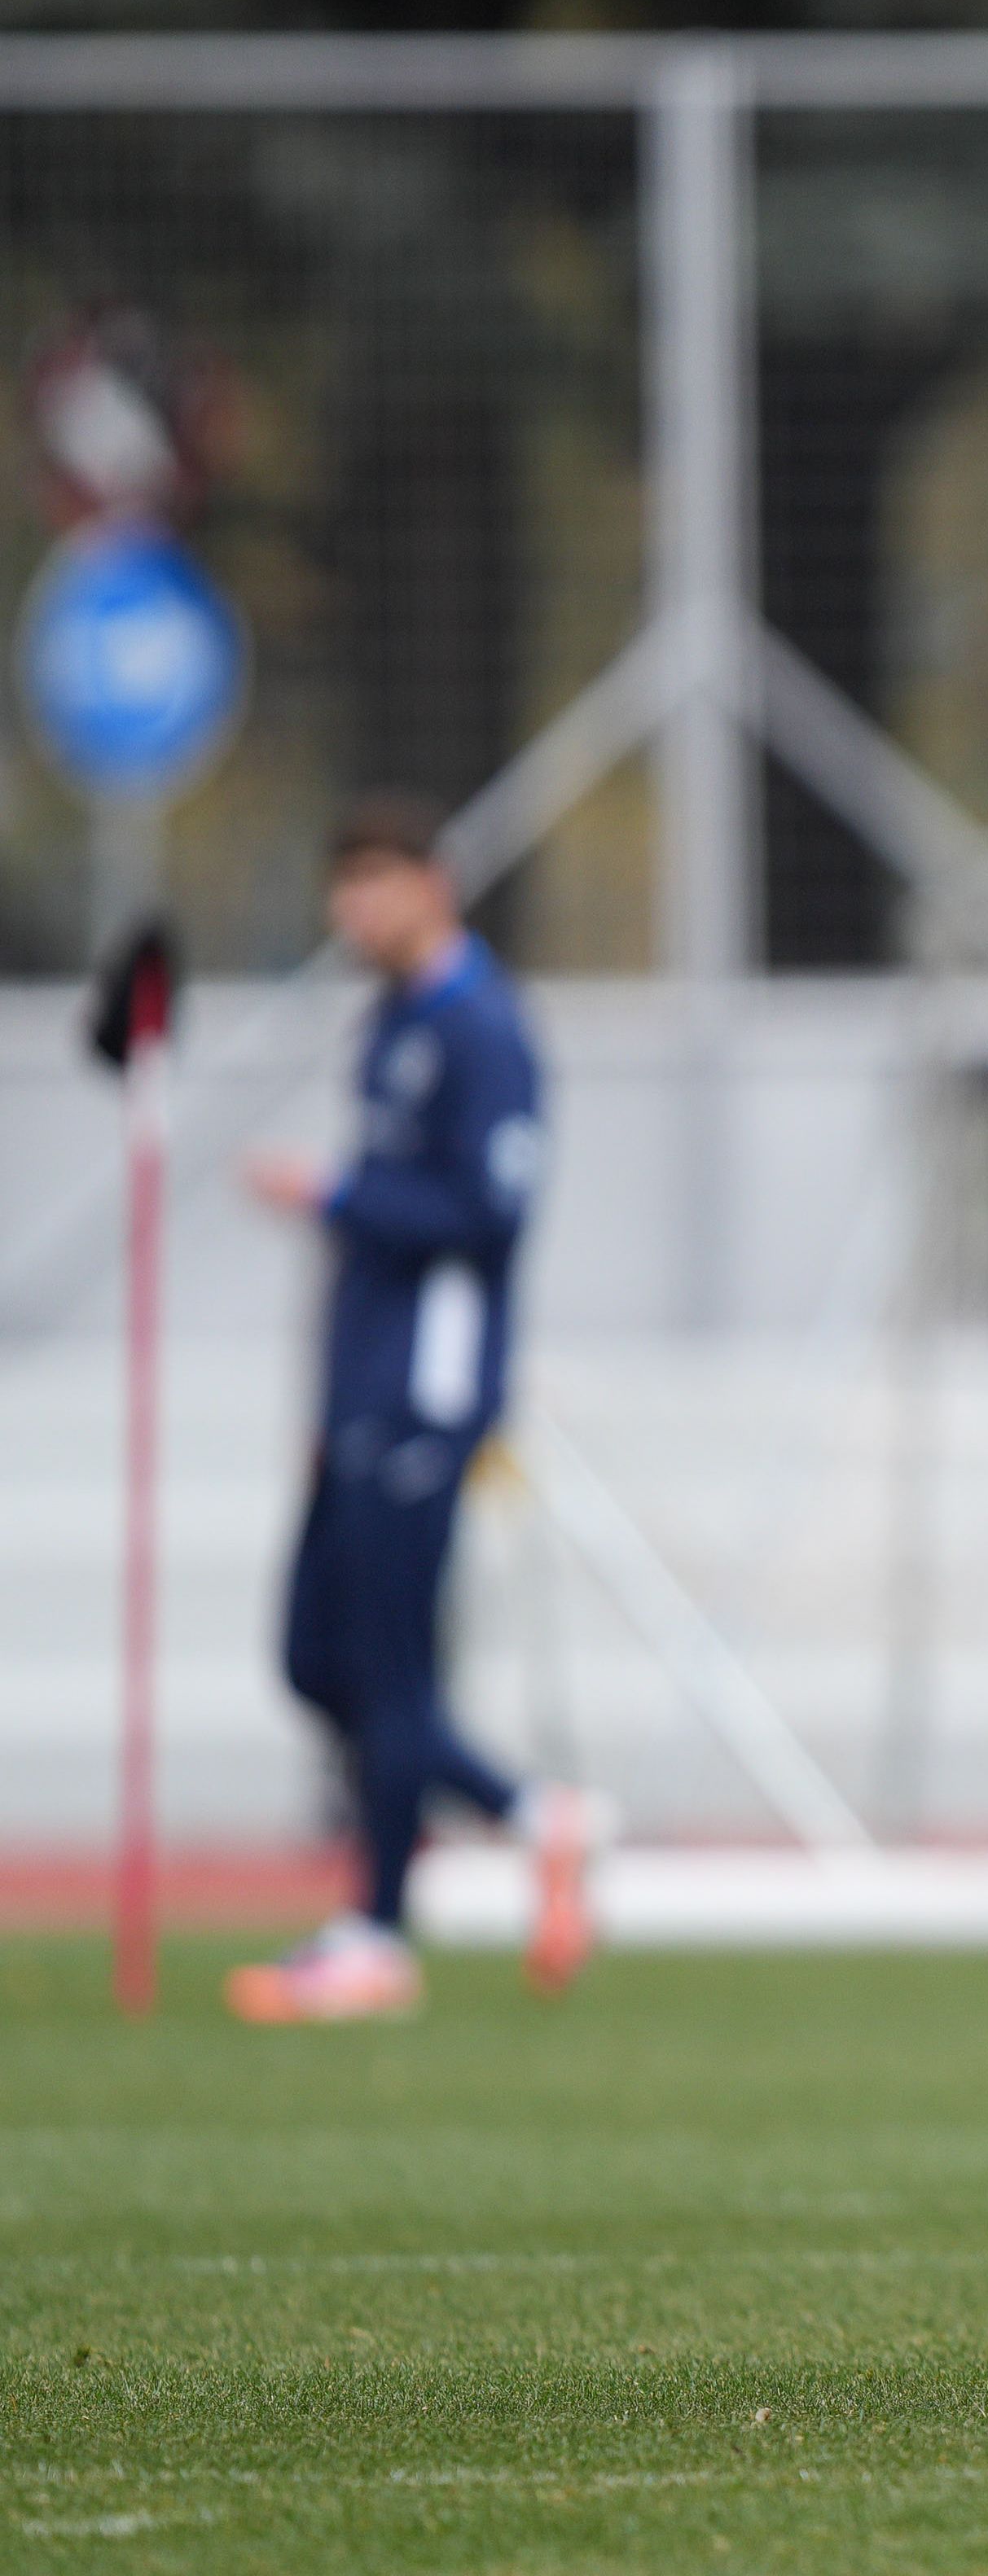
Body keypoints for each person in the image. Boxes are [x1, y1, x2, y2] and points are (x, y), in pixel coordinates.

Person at [227, 795, 608, 2023]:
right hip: (361, 1386)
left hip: (428, 1393)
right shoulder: (391, 1022)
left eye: (375, 880)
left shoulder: (484, 1029)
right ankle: (532, 1814)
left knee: (391, 1669)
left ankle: (377, 1934)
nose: (354, 908)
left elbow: (490, 1214)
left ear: (434, 885)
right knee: (315, 1657)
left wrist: (334, 1193)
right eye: (343, 883)